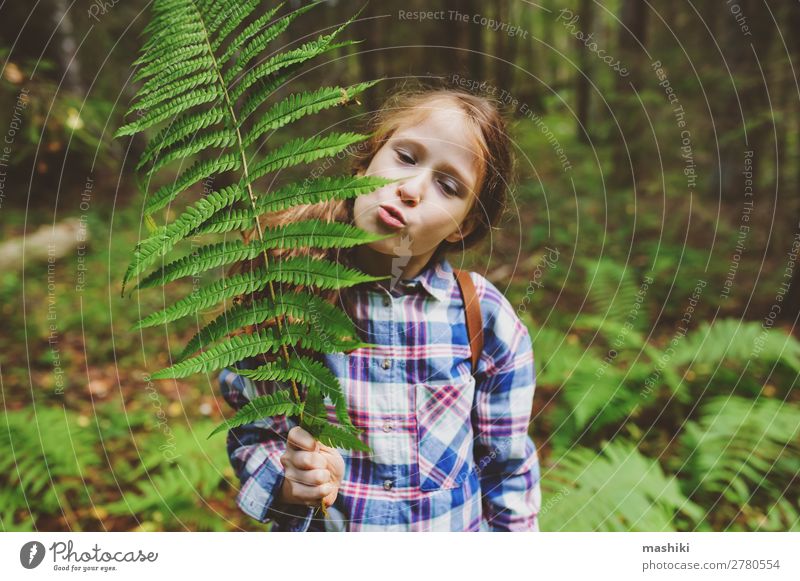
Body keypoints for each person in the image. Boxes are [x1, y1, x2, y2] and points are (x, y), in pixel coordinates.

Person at [219, 84, 541, 531]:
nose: (411, 189)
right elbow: (250, 434)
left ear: (461, 225)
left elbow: (507, 470)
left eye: (447, 186)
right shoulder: (284, 295)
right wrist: (289, 481)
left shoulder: (484, 318)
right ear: (367, 160)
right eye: (405, 158)